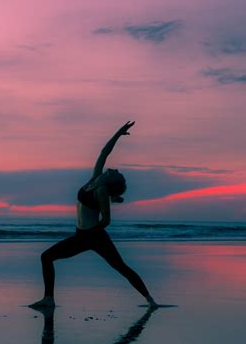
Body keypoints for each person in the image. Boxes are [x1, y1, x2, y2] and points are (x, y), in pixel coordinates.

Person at [29, 121, 158, 309]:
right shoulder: (95, 178)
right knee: (47, 257)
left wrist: (91, 235)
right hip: (83, 235)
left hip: (91, 235)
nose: (115, 169)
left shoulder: (102, 191)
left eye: (117, 173)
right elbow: (104, 152)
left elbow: (106, 219)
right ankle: (48, 299)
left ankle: (150, 301)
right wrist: (118, 133)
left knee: (120, 267)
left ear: (112, 182)